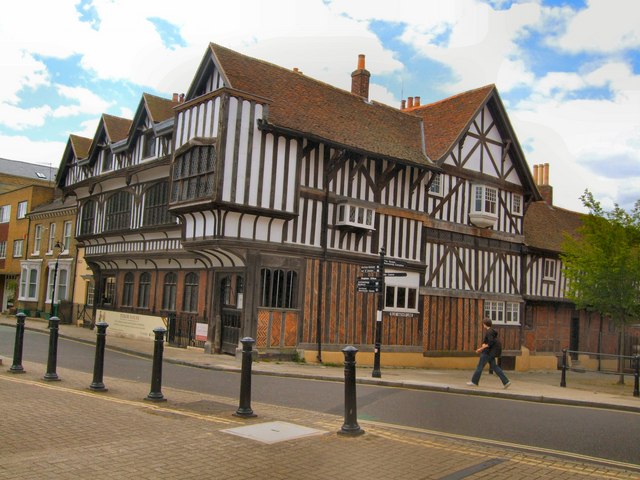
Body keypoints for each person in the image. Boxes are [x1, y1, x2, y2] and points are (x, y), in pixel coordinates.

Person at [467, 318, 511, 388]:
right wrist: (483, 344)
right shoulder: (491, 331)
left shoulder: (489, 332)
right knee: (494, 367)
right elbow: (489, 342)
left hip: (487, 353)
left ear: (485, 324)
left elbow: (490, 342)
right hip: (491, 353)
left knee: (480, 366)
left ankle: (474, 382)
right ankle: (506, 382)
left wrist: (480, 349)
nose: (483, 324)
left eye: (483, 323)